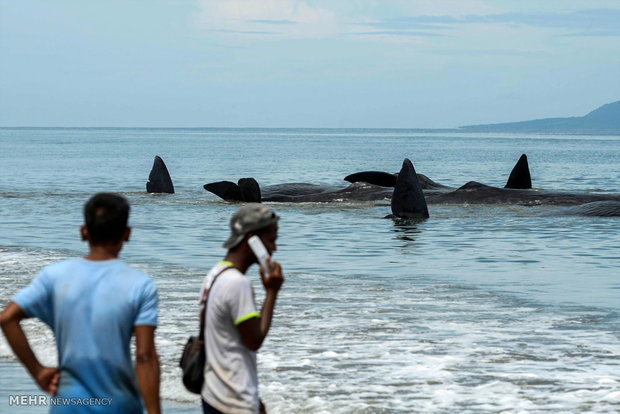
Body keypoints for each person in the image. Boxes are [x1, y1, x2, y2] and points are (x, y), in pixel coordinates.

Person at [0, 193, 160, 414]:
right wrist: (154, 411)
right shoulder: (140, 285)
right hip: (119, 405)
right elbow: (145, 356)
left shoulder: (54, 276)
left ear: (83, 232)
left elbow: (7, 318)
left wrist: (37, 371)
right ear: (127, 234)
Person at [200, 203, 284, 414]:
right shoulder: (238, 284)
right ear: (252, 240)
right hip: (233, 402)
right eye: (271, 241)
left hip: (213, 393)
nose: (274, 249)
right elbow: (254, 341)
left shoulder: (215, 274)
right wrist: (272, 292)